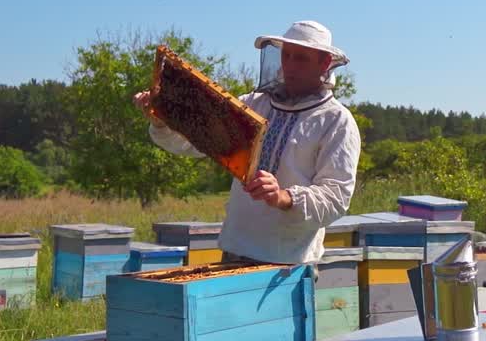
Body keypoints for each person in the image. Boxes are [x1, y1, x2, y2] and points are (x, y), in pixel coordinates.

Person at [134, 21, 361, 265]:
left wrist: (284, 197)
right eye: (286, 55)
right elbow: (194, 142)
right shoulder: (253, 104)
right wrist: (162, 119)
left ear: (325, 63)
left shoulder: (336, 121)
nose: (290, 65)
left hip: (288, 261)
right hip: (235, 250)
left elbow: (336, 197)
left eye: (302, 58)